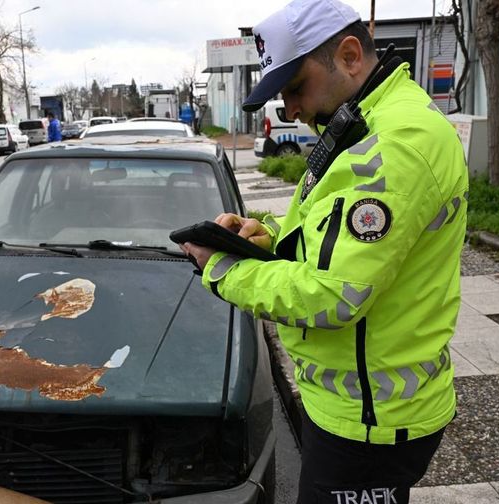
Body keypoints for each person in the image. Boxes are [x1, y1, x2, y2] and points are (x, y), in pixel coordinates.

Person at [180, 1, 468, 502]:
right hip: (354, 406)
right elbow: (330, 237)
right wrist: (265, 234)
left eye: (295, 88)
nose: (289, 109)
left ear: (350, 55)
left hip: (370, 422)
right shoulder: (365, 123)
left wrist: (224, 269)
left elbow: (333, 294)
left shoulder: (393, 145)